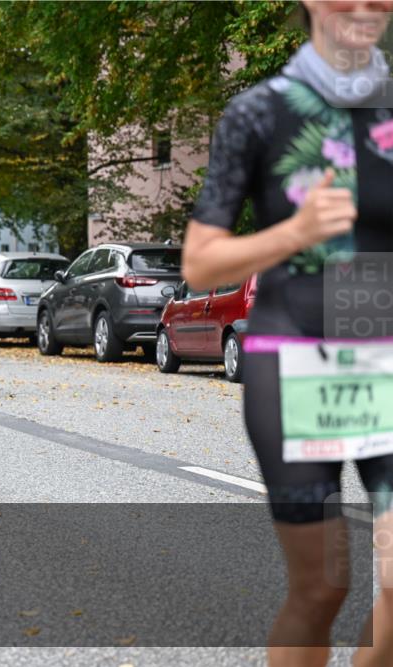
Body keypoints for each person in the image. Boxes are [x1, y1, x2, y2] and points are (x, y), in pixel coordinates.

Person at [182, 3, 393, 665]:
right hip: (297, 354)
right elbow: (199, 263)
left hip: (384, 350)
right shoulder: (259, 111)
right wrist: (292, 235)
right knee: (325, 583)